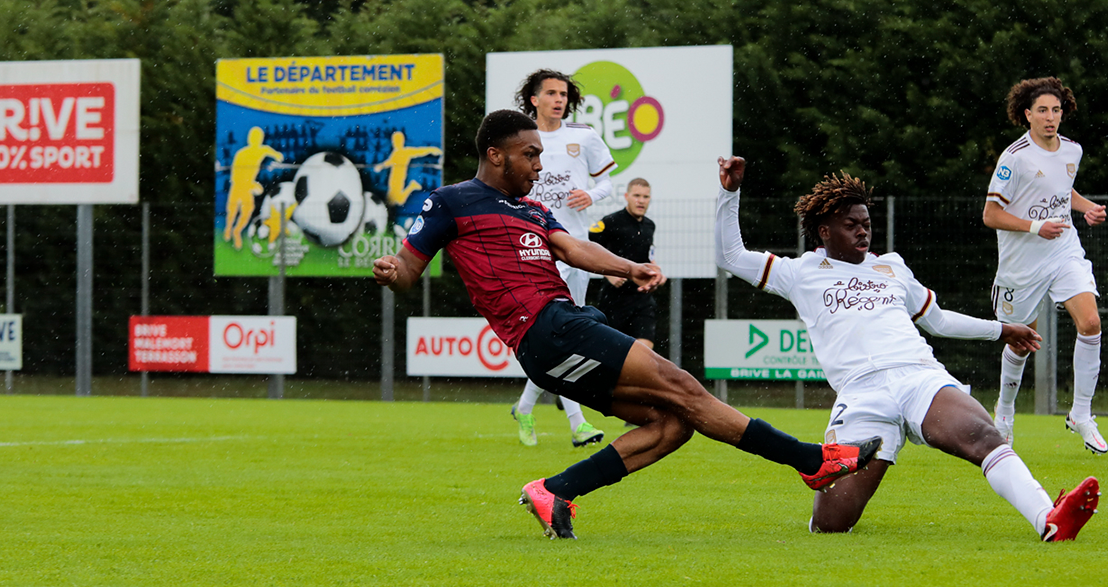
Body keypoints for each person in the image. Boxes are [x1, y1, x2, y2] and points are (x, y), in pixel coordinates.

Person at [373, 109, 878, 541]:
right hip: (548, 327)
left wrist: (627, 266)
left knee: (674, 422)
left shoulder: (531, 207)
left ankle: (555, 491)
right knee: (683, 385)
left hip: (557, 334)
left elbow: (574, 248)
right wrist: (393, 272)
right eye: (530, 154)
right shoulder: (451, 201)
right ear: (496, 154)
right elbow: (409, 270)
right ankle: (810, 460)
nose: (539, 163)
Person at [715, 157, 1101, 542]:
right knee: (832, 523)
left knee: (982, 435)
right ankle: (839, 498)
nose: (862, 232)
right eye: (851, 225)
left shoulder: (892, 267)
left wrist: (1000, 330)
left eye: (866, 224)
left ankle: (1049, 518)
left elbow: (939, 321)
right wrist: (729, 192)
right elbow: (729, 256)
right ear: (824, 231)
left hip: (918, 375)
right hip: (862, 392)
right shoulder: (798, 272)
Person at [983, 77, 1108, 454]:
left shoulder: (1073, 151)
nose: (1050, 117)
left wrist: (1086, 208)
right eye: (1042, 110)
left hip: (1063, 250)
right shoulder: (1014, 158)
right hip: (1022, 264)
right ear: (1027, 115)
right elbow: (991, 214)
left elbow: (1059, 190)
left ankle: (1081, 414)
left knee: (1090, 322)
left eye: (1056, 110)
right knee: (1022, 343)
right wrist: (1036, 227)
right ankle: (1004, 413)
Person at [506, 69, 614, 449]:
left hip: (575, 248)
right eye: (551, 93)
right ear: (533, 99)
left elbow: (608, 182)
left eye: (564, 93)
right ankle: (578, 422)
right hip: (533, 249)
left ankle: (525, 407)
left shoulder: (583, 137)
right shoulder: (520, 139)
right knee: (558, 335)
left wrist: (591, 195)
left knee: (565, 335)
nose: (559, 99)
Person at [590, 177, 663, 351]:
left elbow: (648, 257)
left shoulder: (649, 226)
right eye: (636, 195)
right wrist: (609, 273)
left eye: (645, 197)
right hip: (614, 299)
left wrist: (657, 273)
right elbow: (588, 249)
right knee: (612, 353)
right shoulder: (610, 222)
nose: (641, 201)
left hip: (642, 297)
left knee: (645, 352)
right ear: (626, 196)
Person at [223, 126, 283, 250]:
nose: (257, 141)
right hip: (238, 185)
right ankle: (228, 228)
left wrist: (277, 156)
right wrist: (250, 185)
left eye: (259, 138)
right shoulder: (242, 153)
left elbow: (273, 153)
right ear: (250, 139)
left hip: (248, 186)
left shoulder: (261, 150)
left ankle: (237, 231)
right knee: (233, 210)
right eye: (254, 138)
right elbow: (235, 173)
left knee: (247, 210)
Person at [372, 130, 442, 208]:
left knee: (396, 201)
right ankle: (412, 186)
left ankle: (411, 186)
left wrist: (432, 150)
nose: (395, 143)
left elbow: (420, 151)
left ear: (402, 141)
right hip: (394, 178)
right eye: (394, 141)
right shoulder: (396, 152)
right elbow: (389, 162)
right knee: (393, 201)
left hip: (399, 178)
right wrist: (381, 166)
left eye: (397, 141)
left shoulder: (406, 152)